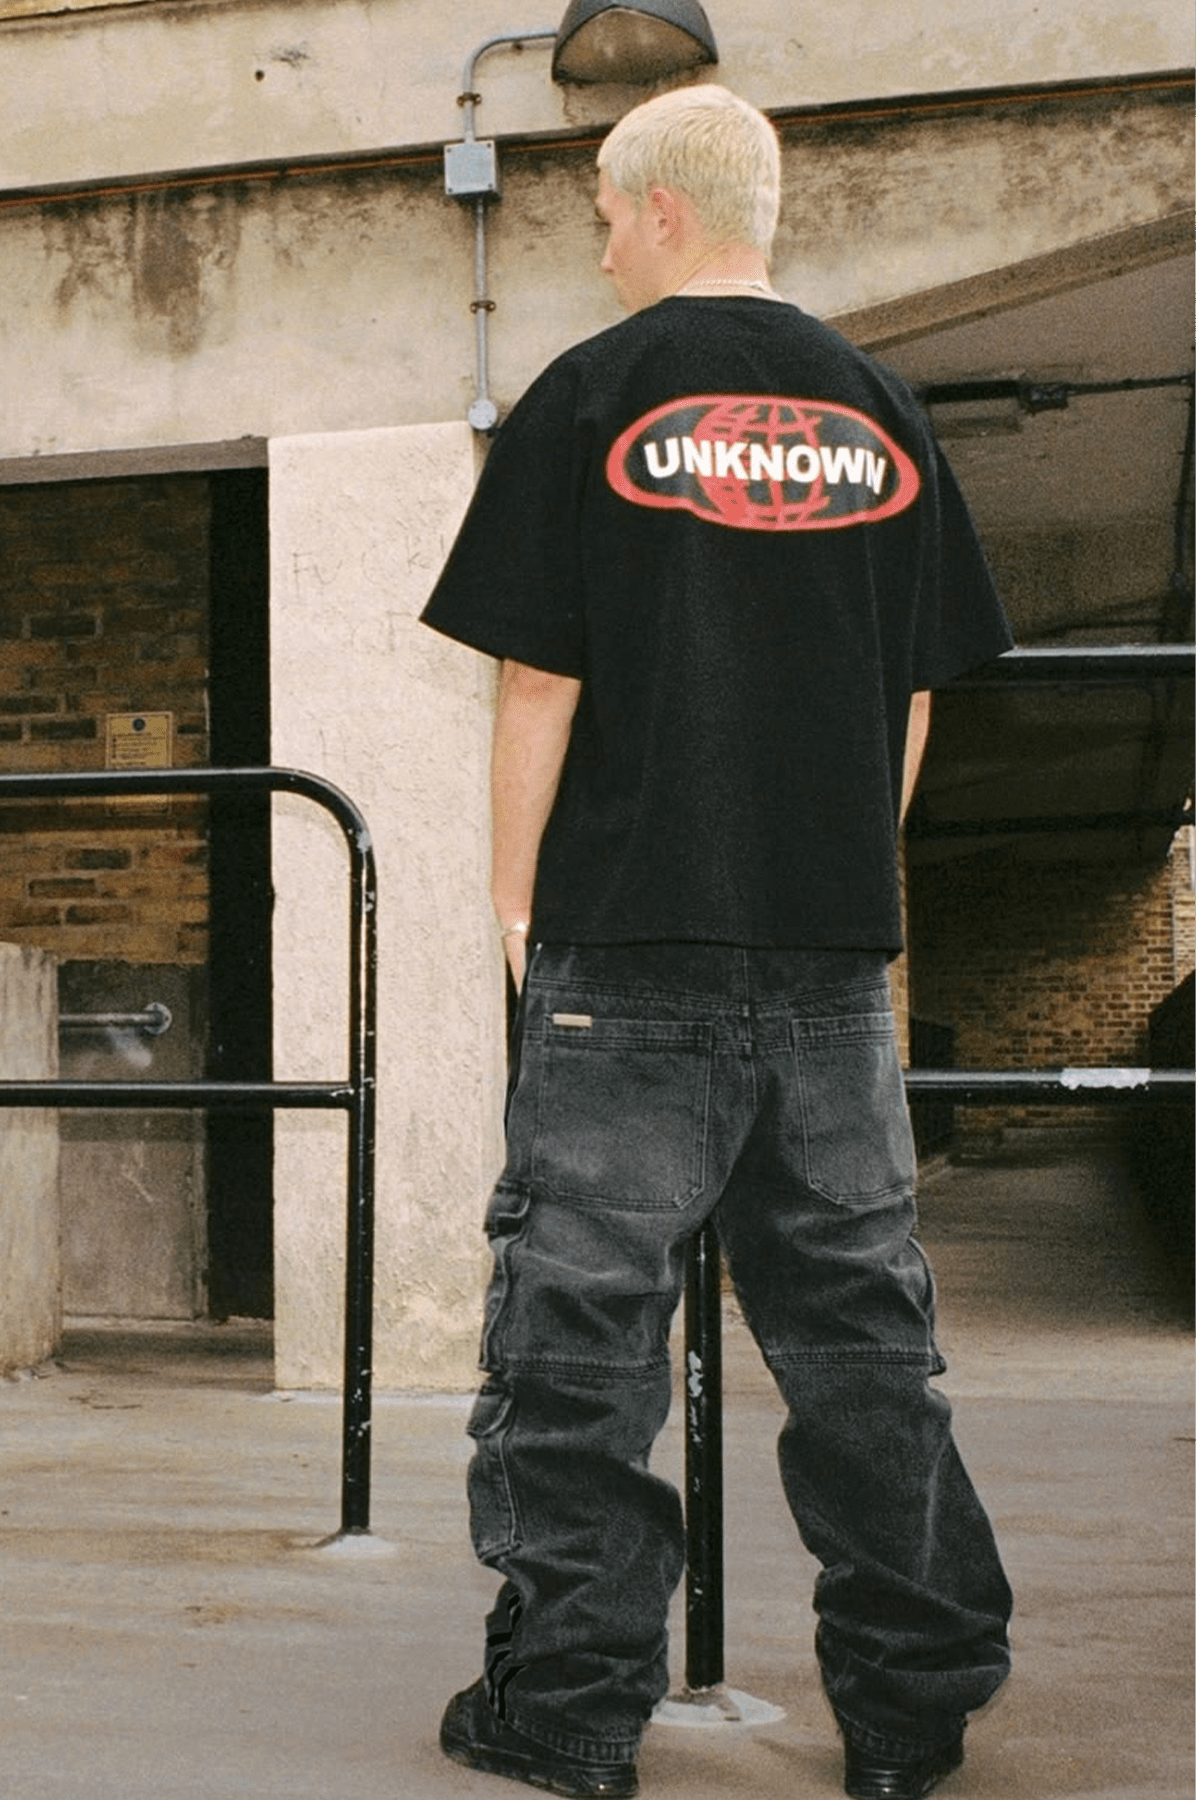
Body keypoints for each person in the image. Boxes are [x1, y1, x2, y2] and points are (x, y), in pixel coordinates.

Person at [421, 86, 1013, 1800]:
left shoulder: (588, 393)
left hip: (626, 948)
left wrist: (515, 909)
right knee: (863, 1348)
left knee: (578, 1349)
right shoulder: (883, 407)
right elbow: (914, 695)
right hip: (829, 962)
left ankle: (571, 1711)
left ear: (665, 209)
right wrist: (844, 880)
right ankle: (906, 1717)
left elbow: (540, 684)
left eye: (606, 212)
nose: (601, 243)